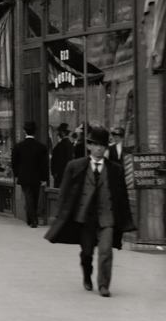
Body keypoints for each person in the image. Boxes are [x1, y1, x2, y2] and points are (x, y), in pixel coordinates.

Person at [45, 124, 135, 297]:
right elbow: (64, 192)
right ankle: (87, 275)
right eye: (95, 145)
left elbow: (122, 197)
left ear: (106, 147)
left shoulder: (116, 170)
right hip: (85, 218)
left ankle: (103, 285)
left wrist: (124, 220)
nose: (99, 148)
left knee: (105, 251)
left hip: (107, 218)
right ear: (89, 146)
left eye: (102, 145)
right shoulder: (75, 166)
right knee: (87, 253)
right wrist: (60, 215)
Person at [11, 121, 50, 228]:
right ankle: (33, 219)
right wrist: (44, 177)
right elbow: (44, 164)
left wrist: (17, 174)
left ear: (24, 131)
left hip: (24, 176)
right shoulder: (41, 147)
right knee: (35, 198)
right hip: (36, 177)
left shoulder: (18, 146)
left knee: (29, 197)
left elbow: (14, 163)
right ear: (35, 132)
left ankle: (31, 219)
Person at [49, 123, 76, 189]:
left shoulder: (59, 146)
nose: (58, 133)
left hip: (60, 174)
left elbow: (55, 160)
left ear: (63, 132)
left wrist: (54, 172)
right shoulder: (71, 145)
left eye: (59, 131)